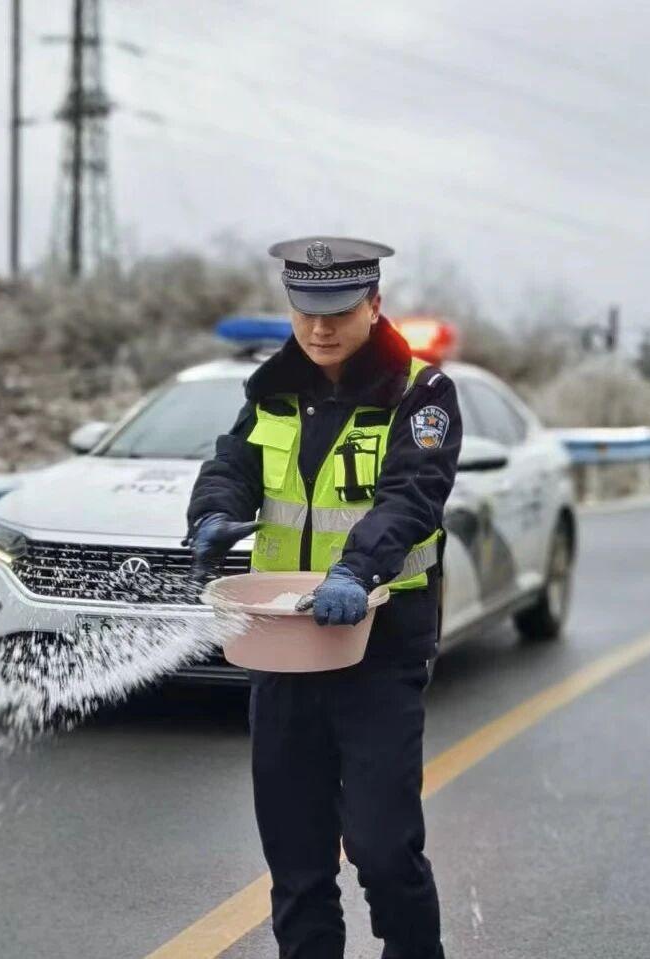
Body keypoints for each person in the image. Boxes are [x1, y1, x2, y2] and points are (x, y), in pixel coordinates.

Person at [186, 236, 460, 959]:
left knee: (382, 847)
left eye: (338, 311)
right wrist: (212, 514)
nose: (320, 328)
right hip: (283, 650)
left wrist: (356, 572)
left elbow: (413, 494)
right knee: (297, 858)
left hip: (378, 647)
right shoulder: (272, 390)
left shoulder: (420, 392)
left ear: (373, 304)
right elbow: (231, 466)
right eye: (306, 311)